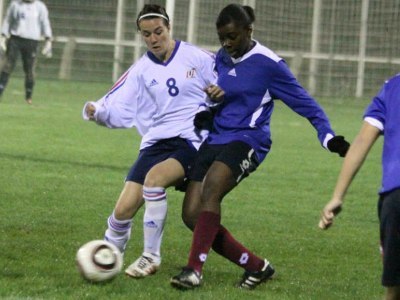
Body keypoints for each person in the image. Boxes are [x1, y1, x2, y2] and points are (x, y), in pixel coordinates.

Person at [170, 3, 350, 290]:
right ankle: (256, 266)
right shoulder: (222, 57)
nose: (227, 43)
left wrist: (328, 137)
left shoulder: (270, 65)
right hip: (216, 139)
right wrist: (212, 105)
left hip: (249, 139)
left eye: (232, 36)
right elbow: (223, 98)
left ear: (248, 30)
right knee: (192, 215)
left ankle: (194, 270)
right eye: (222, 38)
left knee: (212, 187)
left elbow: (308, 105)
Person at [82, 4, 219, 279]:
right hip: (157, 141)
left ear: (169, 28)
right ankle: (108, 258)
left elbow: (227, 82)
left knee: (154, 180)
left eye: (158, 32)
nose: (154, 39)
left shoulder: (198, 57)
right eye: (147, 35)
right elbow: (117, 100)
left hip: (191, 140)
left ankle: (151, 256)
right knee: (122, 210)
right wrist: (98, 111)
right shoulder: (142, 69)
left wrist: (219, 94)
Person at [319, 73, 400, 300]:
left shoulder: (393, 87)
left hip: (396, 195)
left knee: (394, 292)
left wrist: (338, 196)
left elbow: (362, 141)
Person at [0, 0, 52, 104]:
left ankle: (29, 97)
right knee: (7, 66)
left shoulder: (40, 7)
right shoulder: (15, 5)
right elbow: (8, 20)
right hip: (16, 39)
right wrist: (3, 37)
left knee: (29, 69)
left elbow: (45, 23)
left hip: (32, 41)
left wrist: (48, 40)